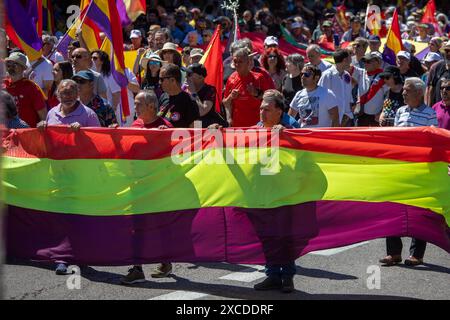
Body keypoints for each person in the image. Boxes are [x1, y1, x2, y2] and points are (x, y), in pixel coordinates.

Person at [380, 78, 437, 267]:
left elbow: (433, 143)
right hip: (399, 167)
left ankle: (417, 254)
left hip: (418, 169)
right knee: (392, 207)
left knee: (419, 211)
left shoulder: (430, 114)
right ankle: (393, 252)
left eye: (408, 90)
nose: (403, 93)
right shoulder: (400, 111)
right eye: (403, 90)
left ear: (419, 93)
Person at [223, 48, 274, 127]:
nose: (237, 64)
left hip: (257, 125)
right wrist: (231, 97)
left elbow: (270, 100)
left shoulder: (259, 78)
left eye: (240, 62)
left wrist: (256, 93)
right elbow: (225, 102)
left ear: (248, 62)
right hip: (237, 126)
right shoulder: (231, 78)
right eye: (235, 61)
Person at [3, 52, 47, 127]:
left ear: (23, 68)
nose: (11, 68)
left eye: (15, 65)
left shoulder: (31, 87)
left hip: (26, 134)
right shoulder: (3, 85)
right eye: (8, 65)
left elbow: (43, 116)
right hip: (6, 134)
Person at [318, 49, 354, 126]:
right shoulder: (327, 75)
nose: (351, 61)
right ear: (345, 60)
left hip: (345, 119)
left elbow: (348, 97)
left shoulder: (347, 75)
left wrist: (348, 114)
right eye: (350, 58)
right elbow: (321, 98)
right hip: (330, 120)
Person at [185, 63, 227, 128]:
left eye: (189, 74)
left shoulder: (209, 89)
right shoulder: (185, 90)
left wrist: (193, 92)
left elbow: (202, 111)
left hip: (208, 126)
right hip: (193, 126)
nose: (186, 77)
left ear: (201, 77)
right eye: (186, 74)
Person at [158, 63, 199, 128]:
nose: (159, 82)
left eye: (161, 79)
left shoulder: (189, 101)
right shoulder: (163, 96)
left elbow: (197, 130)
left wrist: (170, 131)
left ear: (172, 80)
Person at [358, 52, 387, 126]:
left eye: (368, 62)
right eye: (364, 61)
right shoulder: (361, 73)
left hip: (375, 115)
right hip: (361, 113)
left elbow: (387, 96)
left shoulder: (384, 77)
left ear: (378, 63)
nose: (365, 64)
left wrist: (382, 112)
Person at [426, 41, 450, 106]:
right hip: (438, 111)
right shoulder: (437, 66)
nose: (448, 54)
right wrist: (429, 109)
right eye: (447, 51)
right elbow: (430, 89)